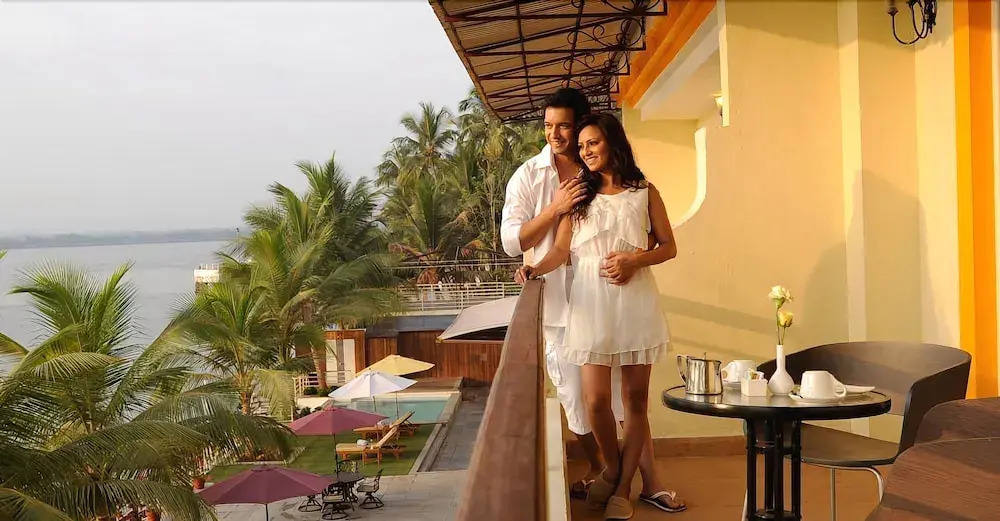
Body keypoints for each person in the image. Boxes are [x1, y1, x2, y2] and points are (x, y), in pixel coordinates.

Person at [500, 88, 685, 517]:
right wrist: (532, 270)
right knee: (596, 401)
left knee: (635, 403)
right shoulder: (576, 197)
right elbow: (559, 251)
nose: (584, 150)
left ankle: (623, 488)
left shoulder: (645, 192)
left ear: (611, 142)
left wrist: (635, 260)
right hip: (588, 306)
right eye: (581, 145)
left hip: (634, 303)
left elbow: (668, 246)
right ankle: (613, 470)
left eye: (591, 142)